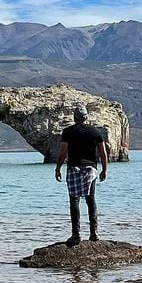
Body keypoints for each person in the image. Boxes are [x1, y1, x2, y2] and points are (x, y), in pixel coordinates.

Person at [54, 104, 108, 244]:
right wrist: (104, 170)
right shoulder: (95, 132)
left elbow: (62, 153)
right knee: (91, 199)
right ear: (86, 117)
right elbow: (103, 153)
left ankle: (76, 234)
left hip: (74, 169)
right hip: (90, 169)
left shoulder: (68, 132)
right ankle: (94, 232)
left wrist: (58, 168)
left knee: (74, 200)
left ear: (74, 117)